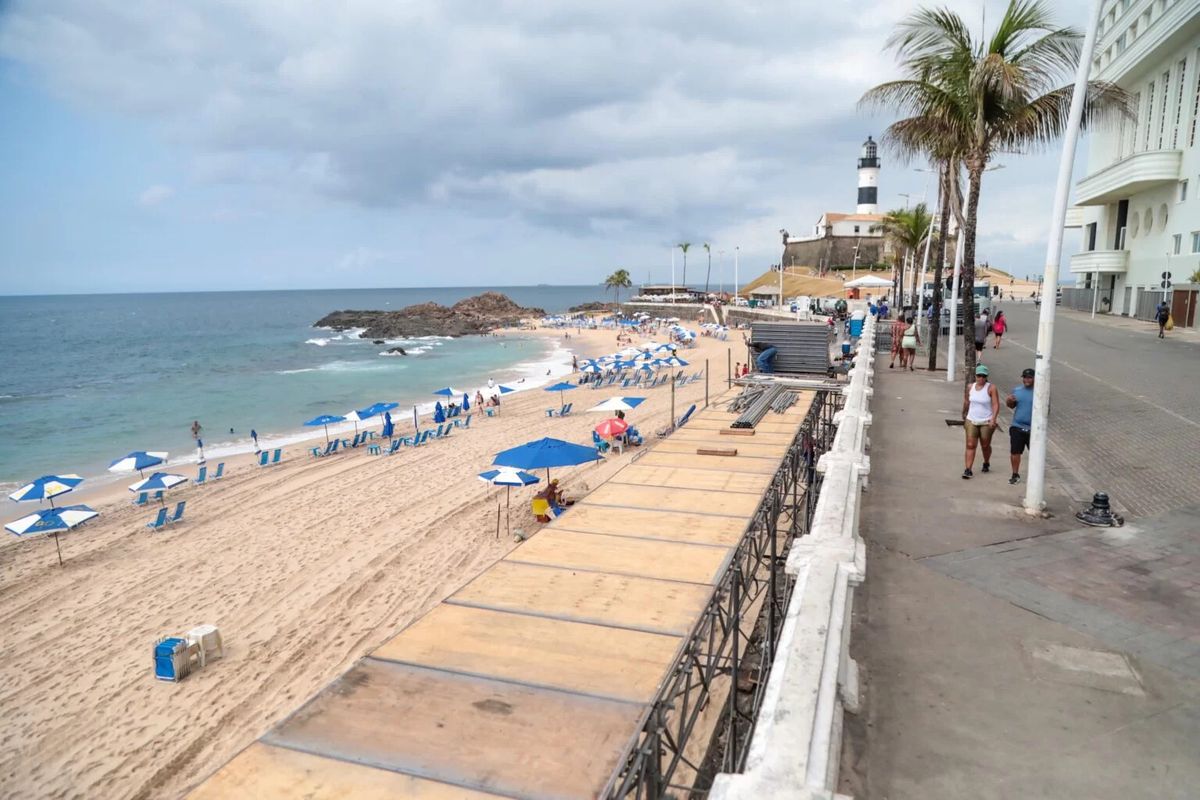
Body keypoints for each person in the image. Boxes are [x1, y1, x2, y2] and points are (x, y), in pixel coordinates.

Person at [961, 364, 1000, 479]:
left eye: (983, 376)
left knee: (985, 445)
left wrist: (993, 418)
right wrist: (964, 413)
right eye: (979, 376)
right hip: (971, 419)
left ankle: (986, 461)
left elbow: (995, 404)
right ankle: (968, 469)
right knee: (970, 444)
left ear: (986, 377)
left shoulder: (991, 388)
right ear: (975, 376)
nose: (981, 378)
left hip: (986, 421)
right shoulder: (970, 387)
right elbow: (967, 401)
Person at [1005, 368, 1035, 485]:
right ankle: (1015, 474)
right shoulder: (1017, 390)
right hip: (1017, 427)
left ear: (1034, 379)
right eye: (1025, 377)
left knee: (1034, 454)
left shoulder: (1040, 392)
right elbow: (1011, 406)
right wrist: (1009, 401)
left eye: (1029, 377)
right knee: (1015, 452)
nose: (1026, 380)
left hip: (1033, 429)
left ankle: (1034, 476)